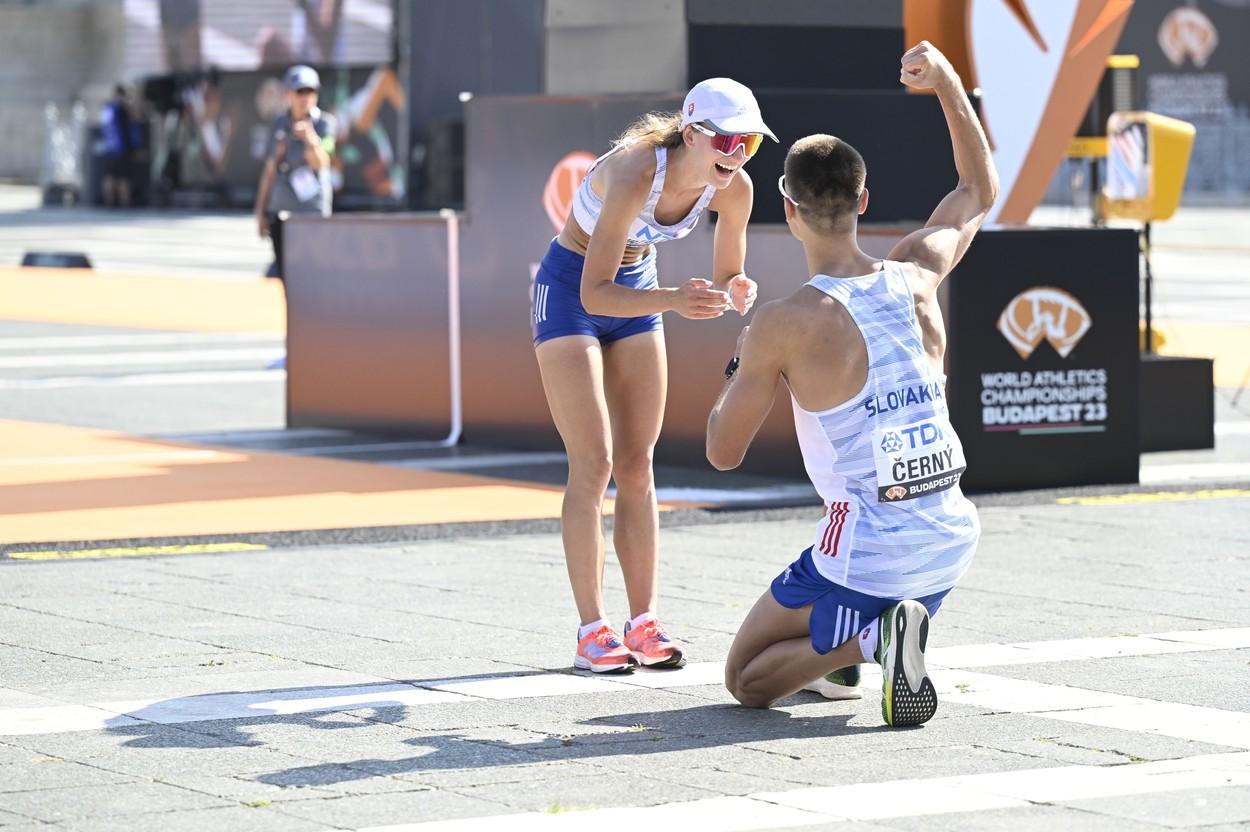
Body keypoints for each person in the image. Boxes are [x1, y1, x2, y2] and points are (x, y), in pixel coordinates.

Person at [707, 41, 998, 726]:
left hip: (870, 550)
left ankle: (870, 638)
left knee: (747, 679)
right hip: (949, 539)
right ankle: (865, 640)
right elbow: (978, 191)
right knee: (833, 590)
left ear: (789, 209)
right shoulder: (918, 271)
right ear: (863, 199)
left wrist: (743, 360)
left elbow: (723, 450)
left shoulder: (784, 324)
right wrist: (951, 84)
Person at [533, 78, 774, 673]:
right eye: (728, 140)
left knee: (638, 463)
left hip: (638, 287)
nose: (738, 154)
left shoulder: (734, 187)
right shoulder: (637, 171)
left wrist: (733, 288)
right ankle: (592, 629)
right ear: (692, 134)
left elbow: (726, 272)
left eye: (751, 143)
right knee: (593, 461)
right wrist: (671, 299)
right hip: (572, 288)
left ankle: (643, 622)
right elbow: (595, 290)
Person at [254, 65, 337, 280]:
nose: (306, 97)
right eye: (300, 91)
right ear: (288, 95)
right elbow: (270, 170)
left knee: (313, 272)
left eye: (311, 92)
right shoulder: (279, 124)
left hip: (312, 213)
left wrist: (310, 140)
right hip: (280, 211)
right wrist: (261, 212)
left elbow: (322, 163)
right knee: (280, 271)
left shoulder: (325, 125)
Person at [100, 85, 134, 209]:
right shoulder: (123, 109)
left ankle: (109, 202)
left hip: (109, 148)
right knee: (124, 178)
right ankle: (125, 203)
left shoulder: (107, 108)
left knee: (109, 176)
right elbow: (131, 127)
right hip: (122, 148)